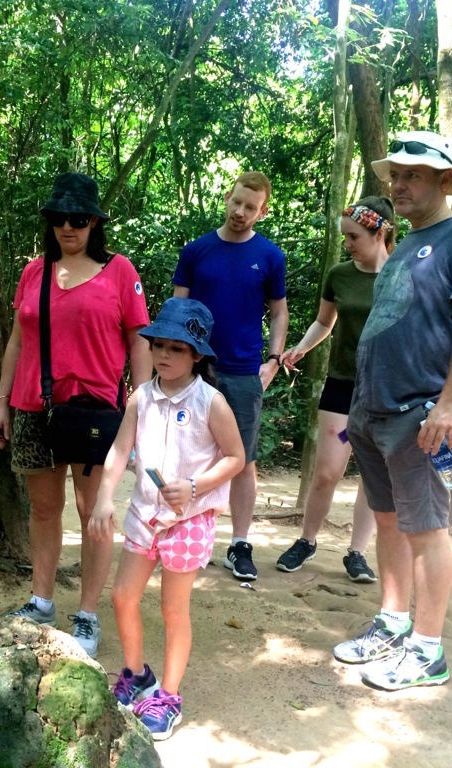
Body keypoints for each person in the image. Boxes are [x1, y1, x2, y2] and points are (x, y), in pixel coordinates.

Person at [332, 131, 452, 690]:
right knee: (388, 522)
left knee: (427, 529)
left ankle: (428, 651)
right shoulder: (405, 243)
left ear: (444, 181)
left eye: (412, 175)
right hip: (374, 411)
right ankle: (393, 620)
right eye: (395, 176)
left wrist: (451, 405)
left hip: (423, 411)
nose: (398, 185)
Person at [0, 172, 152, 658]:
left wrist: (140, 406)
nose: (68, 227)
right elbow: (18, 341)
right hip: (34, 406)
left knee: (93, 512)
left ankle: (87, 614)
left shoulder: (121, 271)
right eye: (59, 218)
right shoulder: (35, 272)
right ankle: (41, 601)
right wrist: (1, 403)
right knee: (43, 508)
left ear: (95, 222)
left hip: (95, 409)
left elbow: (138, 340)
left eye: (79, 219)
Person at [89, 297, 244, 740]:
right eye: (159, 345)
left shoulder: (211, 402)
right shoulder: (141, 396)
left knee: (173, 609)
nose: (164, 355)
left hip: (189, 520)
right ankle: (136, 674)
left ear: (197, 354)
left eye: (177, 348)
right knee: (122, 596)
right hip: (144, 515)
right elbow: (120, 450)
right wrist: (104, 498)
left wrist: (195, 486)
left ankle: (169, 697)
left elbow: (236, 456)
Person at [173, 171, 289, 581]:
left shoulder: (270, 256)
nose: (241, 212)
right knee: (185, 451)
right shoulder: (197, 251)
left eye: (251, 207)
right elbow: (177, 309)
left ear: (263, 211)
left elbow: (278, 311)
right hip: (196, 368)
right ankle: (183, 531)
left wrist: (273, 360)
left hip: (242, 371)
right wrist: (173, 362)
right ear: (227, 198)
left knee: (243, 460)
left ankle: (239, 543)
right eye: (237, 202)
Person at [275, 196, 395, 581]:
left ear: (381, 233)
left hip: (385, 392)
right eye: (345, 237)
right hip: (343, 387)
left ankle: (357, 552)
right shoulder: (340, 274)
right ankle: (307, 540)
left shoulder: (405, 274)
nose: (348, 244)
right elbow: (324, 323)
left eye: (354, 236)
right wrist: (301, 347)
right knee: (328, 470)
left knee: (372, 476)